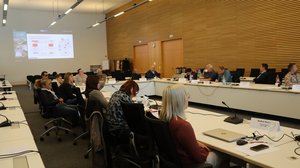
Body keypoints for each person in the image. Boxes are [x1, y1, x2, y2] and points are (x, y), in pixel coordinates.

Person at [159, 84, 227, 168]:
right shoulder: (183, 125)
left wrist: (195, 143)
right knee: (223, 154)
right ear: (180, 100)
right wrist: (205, 150)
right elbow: (199, 158)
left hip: (176, 160)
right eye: (187, 96)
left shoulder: (164, 118)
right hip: (190, 164)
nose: (188, 99)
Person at [105, 80, 139, 145]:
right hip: (119, 127)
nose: (135, 94)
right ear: (132, 89)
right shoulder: (125, 97)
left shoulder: (116, 93)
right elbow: (131, 116)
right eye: (136, 91)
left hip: (110, 125)